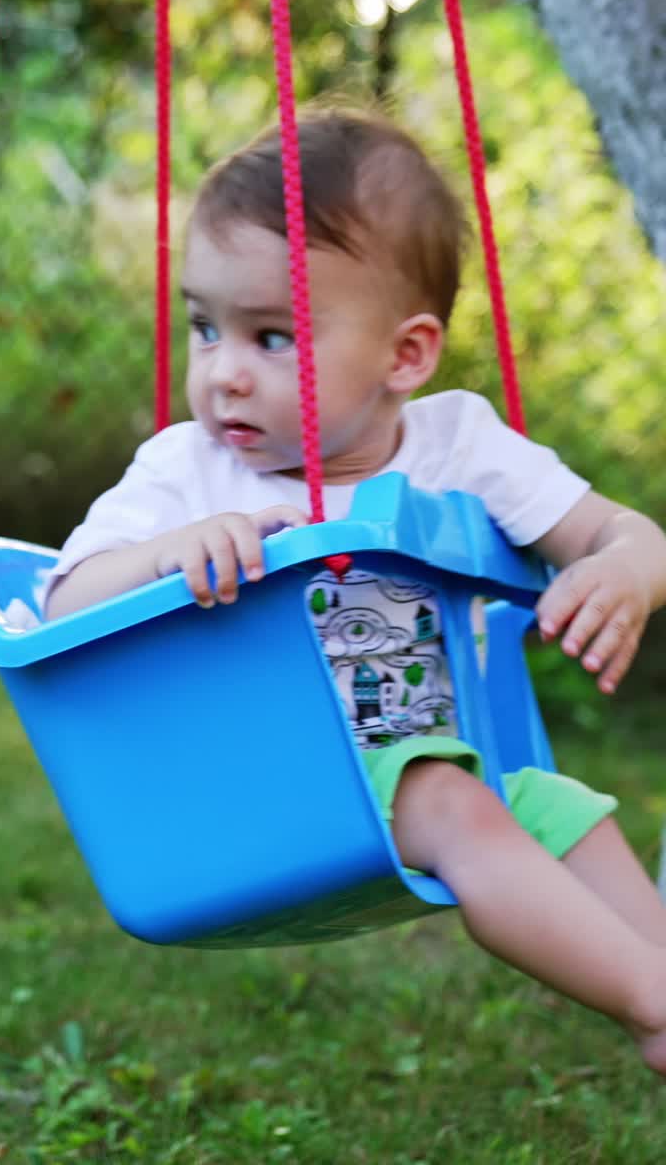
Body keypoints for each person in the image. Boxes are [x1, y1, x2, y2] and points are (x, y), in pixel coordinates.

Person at [44, 108, 666, 1076]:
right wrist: (169, 552)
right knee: (451, 803)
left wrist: (623, 566)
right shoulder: (184, 471)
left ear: (404, 355)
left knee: (554, 806)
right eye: (204, 327)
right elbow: (59, 607)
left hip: (441, 761)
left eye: (271, 336)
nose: (222, 375)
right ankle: (652, 1003)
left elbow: (621, 532)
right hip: (269, 780)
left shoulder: (458, 444)